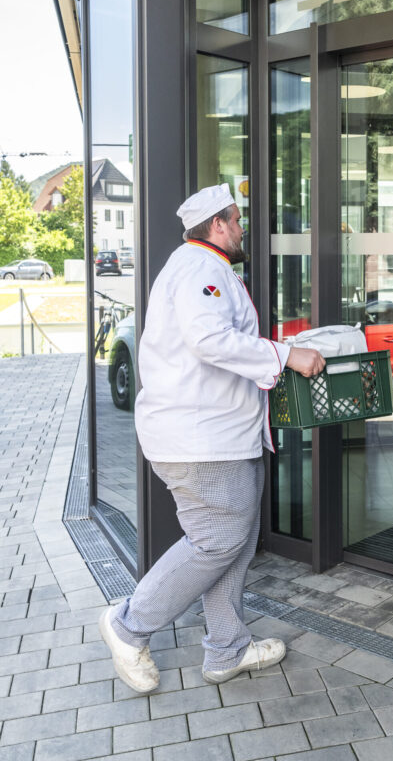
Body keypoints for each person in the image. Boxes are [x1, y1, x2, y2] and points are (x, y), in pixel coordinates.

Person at [98, 183, 325, 692]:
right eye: (237, 220)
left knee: (234, 544)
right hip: (201, 439)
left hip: (220, 435)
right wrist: (286, 355)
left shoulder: (205, 268)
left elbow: (221, 340)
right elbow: (209, 340)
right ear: (218, 224)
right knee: (217, 540)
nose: (243, 229)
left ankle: (227, 649)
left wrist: (276, 352)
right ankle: (129, 625)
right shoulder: (201, 269)